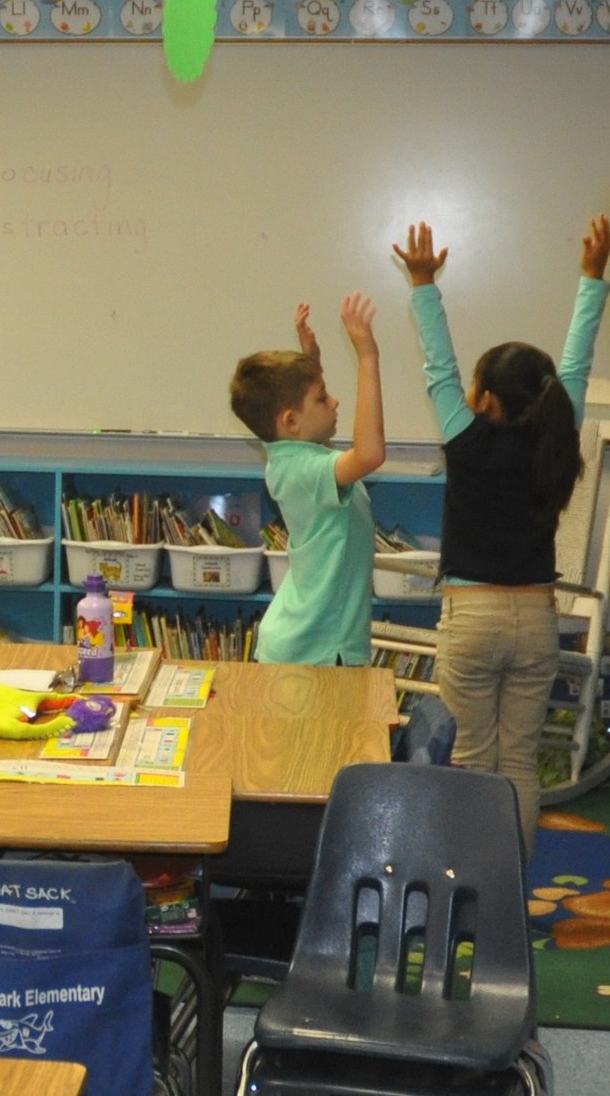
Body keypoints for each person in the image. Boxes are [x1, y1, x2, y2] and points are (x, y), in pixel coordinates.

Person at [402, 216, 607, 847]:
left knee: (469, 761)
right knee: (518, 764)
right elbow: (576, 358)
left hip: (473, 617)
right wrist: (592, 278)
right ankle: (509, 883)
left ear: (485, 397)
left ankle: (466, 883)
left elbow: (438, 363)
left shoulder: (466, 441)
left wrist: (422, 283)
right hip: (537, 618)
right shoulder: (557, 437)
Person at [230, 293, 388, 667]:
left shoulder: (296, 456)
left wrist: (310, 363)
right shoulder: (304, 470)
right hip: (315, 652)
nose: (334, 403)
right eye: (322, 397)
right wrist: (367, 357)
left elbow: (306, 428)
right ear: (290, 421)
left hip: (314, 646)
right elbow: (369, 454)